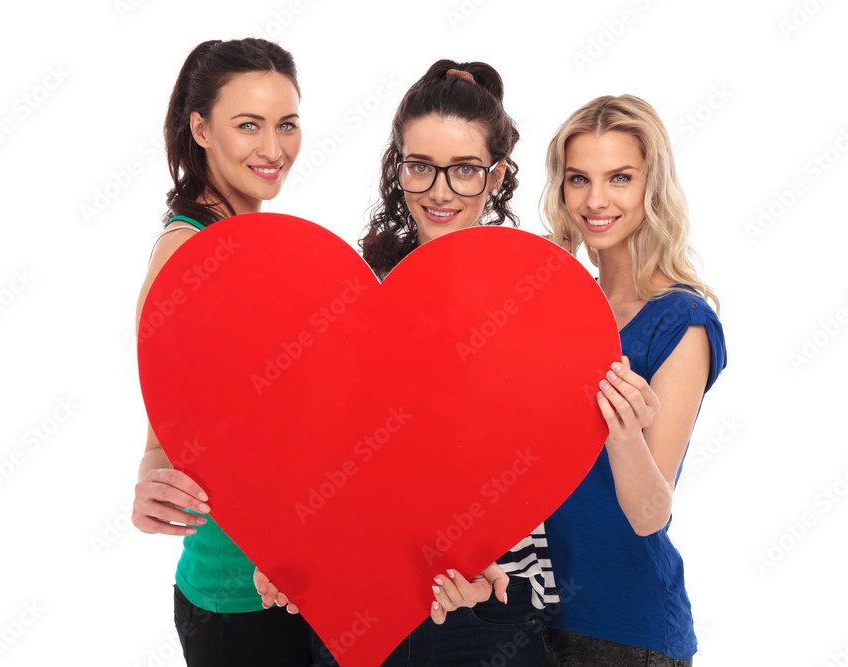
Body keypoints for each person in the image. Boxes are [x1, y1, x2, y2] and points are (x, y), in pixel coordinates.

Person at [131, 37, 331, 666]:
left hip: (295, 585)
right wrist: (151, 477)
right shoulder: (191, 254)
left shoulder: (243, 241)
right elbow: (173, 432)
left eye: (286, 125)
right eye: (248, 125)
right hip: (242, 601)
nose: (273, 150)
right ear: (201, 129)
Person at [361, 58, 558, 666]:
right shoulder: (360, 290)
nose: (440, 191)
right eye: (421, 167)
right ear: (400, 167)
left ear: (496, 176)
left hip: (496, 603)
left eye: (465, 171)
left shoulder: (540, 295)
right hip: (370, 602)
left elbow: (550, 454)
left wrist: (479, 553)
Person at [538, 95, 727, 666]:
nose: (595, 201)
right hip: (527, 613)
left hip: (624, 632)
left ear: (653, 186)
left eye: (620, 178)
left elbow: (650, 514)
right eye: (579, 179)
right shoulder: (557, 304)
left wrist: (622, 435)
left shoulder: (682, 321)